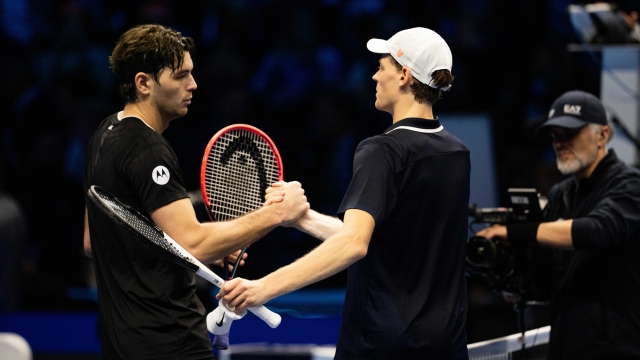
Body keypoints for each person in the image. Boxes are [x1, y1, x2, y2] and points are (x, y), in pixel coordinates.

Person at [218, 27, 470, 359]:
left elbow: (354, 243)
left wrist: (263, 287)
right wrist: (303, 219)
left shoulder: (382, 150)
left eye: (382, 67)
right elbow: (382, 239)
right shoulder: (457, 153)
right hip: (446, 347)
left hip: (381, 347)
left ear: (405, 75)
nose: (374, 75)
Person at [83, 24, 309, 360]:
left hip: (120, 340)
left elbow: (93, 241)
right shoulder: (148, 150)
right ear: (143, 83)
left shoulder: (106, 132)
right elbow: (193, 243)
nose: (193, 84)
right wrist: (277, 213)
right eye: (180, 75)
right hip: (169, 340)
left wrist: (206, 247)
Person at [477, 90, 640, 359]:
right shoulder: (561, 194)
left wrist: (518, 232)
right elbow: (554, 277)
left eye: (570, 133)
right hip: (566, 347)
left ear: (603, 135)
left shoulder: (629, 185)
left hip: (617, 349)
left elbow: (599, 230)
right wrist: (519, 285)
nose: (559, 143)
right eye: (555, 136)